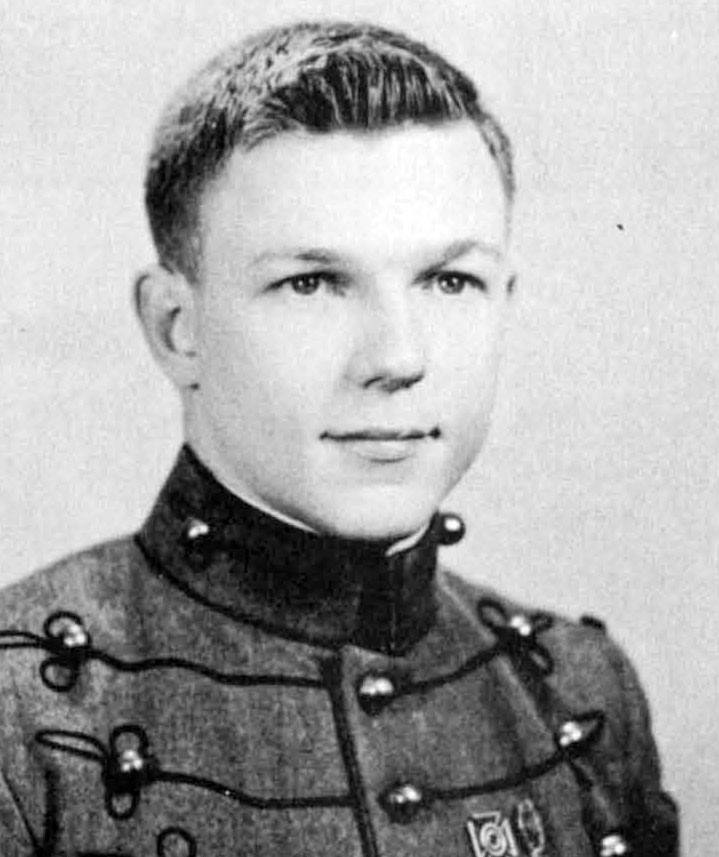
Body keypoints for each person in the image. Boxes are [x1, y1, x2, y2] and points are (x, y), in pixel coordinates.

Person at [0, 20, 677, 857]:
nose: (396, 358)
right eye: (312, 283)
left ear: (505, 300)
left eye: (449, 280)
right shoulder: (22, 713)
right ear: (177, 327)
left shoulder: (580, 690)